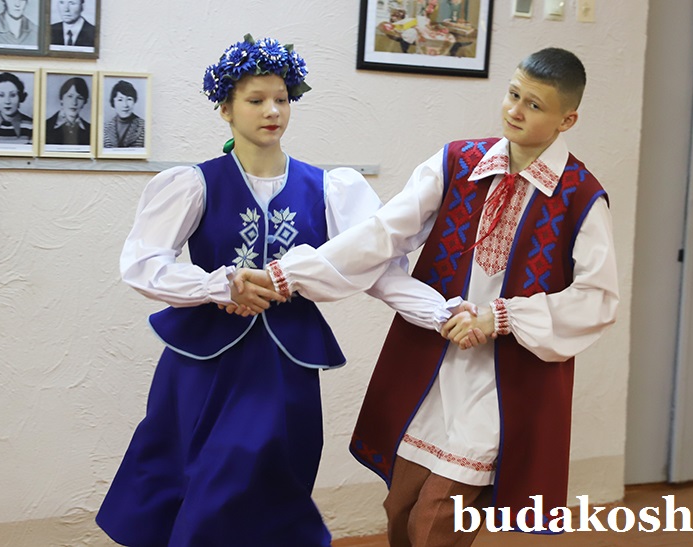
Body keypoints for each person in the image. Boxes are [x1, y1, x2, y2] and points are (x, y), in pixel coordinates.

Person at [239, 47, 620, 546]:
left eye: (534, 105)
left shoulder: (580, 195)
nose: (514, 110)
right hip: (434, 365)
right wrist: (289, 275)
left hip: (506, 379)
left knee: (437, 517)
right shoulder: (458, 162)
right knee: (400, 506)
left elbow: (598, 297)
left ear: (567, 119)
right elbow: (383, 233)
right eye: (512, 94)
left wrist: (500, 317)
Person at [95, 33, 452, 547]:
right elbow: (144, 263)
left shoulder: (329, 188)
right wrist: (218, 284)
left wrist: (441, 313)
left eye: (282, 99)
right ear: (225, 109)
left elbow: (379, 269)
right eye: (255, 100)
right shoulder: (194, 183)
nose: (272, 111)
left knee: (268, 476)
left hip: (285, 364)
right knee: (195, 474)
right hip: (204, 362)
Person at [0, 72, 33, 144]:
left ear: (20, 96)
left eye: (13, 95)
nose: (7, 101)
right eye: (1, 95)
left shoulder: (31, 125)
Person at [44, 76, 90, 146]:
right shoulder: (45, 126)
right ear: (61, 99)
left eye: (79, 98)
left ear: (85, 102)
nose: (74, 103)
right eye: (70, 96)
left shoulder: (91, 129)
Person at [103, 80, 144, 148]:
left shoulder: (144, 127)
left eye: (129, 99)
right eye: (120, 100)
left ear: (134, 101)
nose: (125, 105)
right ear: (113, 102)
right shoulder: (105, 128)